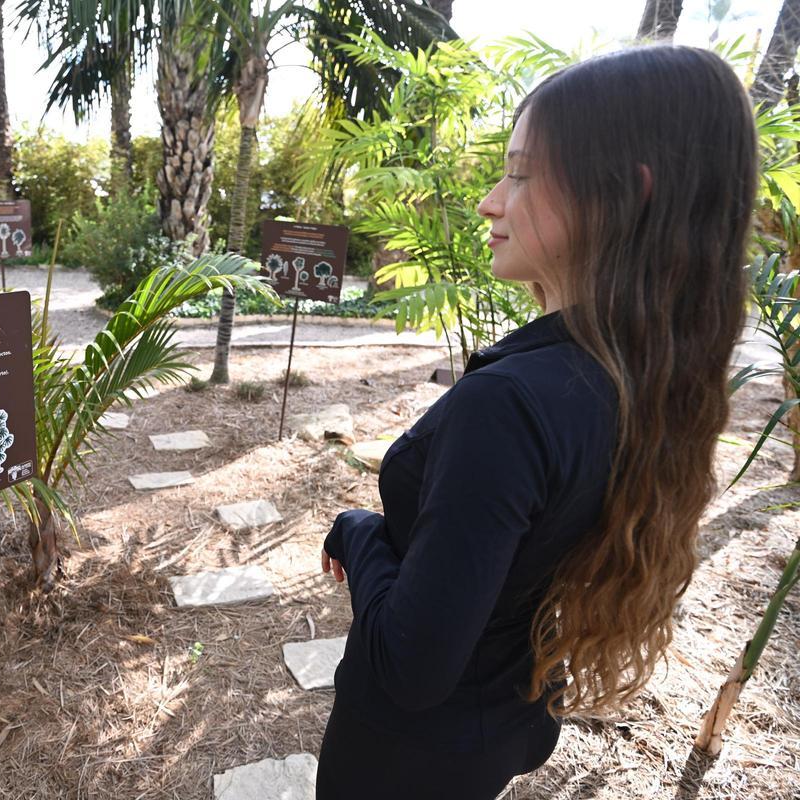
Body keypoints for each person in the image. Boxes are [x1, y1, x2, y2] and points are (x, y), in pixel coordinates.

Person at [315, 45, 758, 799]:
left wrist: (357, 532)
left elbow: (411, 666)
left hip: (404, 760)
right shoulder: (641, 377)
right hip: (504, 728)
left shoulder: (513, 403)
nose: (491, 199)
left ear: (624, 196)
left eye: (520, 173)